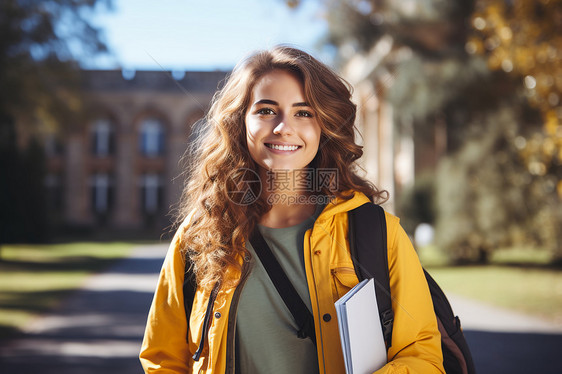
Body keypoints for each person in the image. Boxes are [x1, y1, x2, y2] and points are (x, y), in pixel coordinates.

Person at [139, 46, 445, 374]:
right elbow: (163, 359)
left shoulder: (376, 232)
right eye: (267, 110)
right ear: (239, 122)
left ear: (323, 127)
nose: (284, 127)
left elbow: (422, 355)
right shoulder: (198, 236)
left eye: (303, 112)